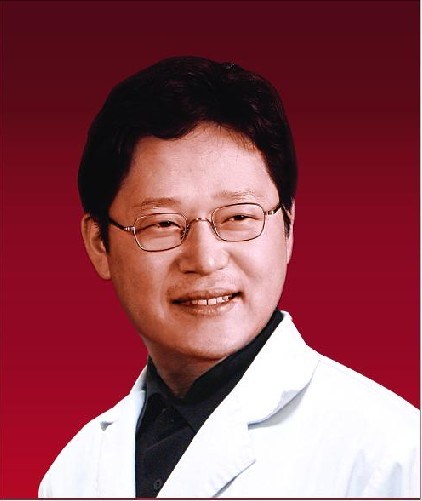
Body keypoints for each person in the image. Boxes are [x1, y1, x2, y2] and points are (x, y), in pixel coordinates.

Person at [38, 56, 419, 498]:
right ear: (99, 244)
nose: (205, 259)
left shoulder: (390, 455)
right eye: (163, 223)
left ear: (288, 227)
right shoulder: (75, 471)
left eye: (238, 217)